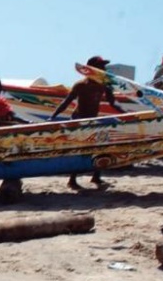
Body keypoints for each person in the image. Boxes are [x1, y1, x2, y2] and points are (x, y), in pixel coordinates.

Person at [50, 56, 125, 189]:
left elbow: (113, 103)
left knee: (100, 146)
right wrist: (53, 117)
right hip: (79, 119)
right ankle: (72, 180)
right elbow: (66, 102)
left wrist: (125, 114)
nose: (103, 69)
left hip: (92, 120)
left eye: (103, 67)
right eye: (100, 67)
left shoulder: (104, 86)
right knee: (79, 149)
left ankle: (96, 177)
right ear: (90, 69)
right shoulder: (80, 85)